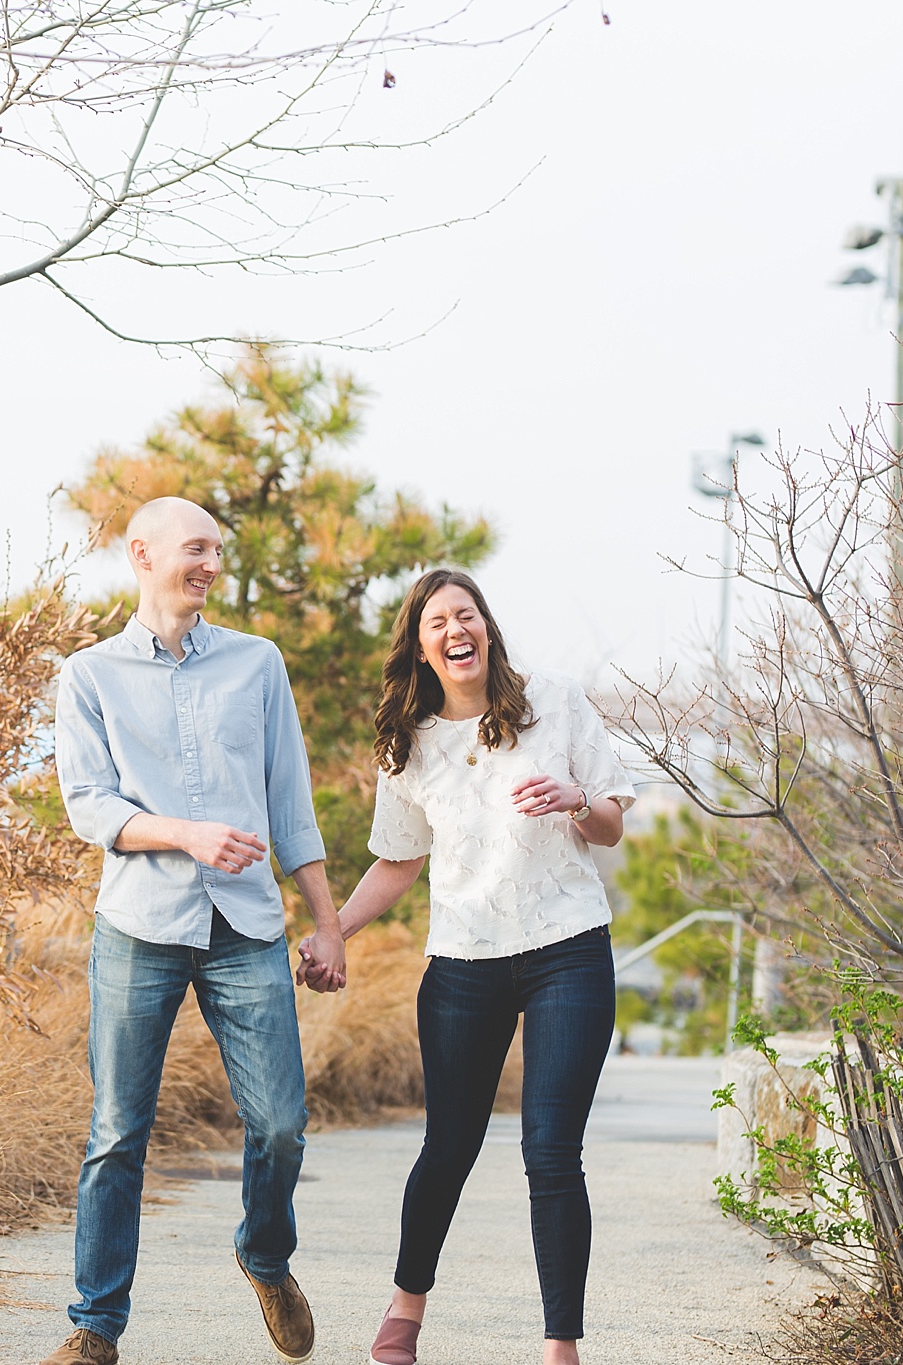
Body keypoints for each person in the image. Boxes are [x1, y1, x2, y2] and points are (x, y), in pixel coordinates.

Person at [297, 568, 634, 1365]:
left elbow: (613, 823)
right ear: (421, 646)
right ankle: (406, 1306)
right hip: (464, 960)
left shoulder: (552, 700)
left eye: (467, 614)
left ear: (487, 627)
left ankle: (561, 1347)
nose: (457, 629)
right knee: (448, 1144)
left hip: (567, 948)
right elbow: (397, 862)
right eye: (438, 621)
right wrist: (333, 929)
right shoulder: (406, 744)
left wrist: (577, 799)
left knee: (551, 1150)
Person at [47, 496, 345, 1365]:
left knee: (282, 1122)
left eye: (216, 548)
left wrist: (327, 923)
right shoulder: (90, 674)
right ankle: (96, 1327)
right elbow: (89, 806)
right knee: (117, 1131)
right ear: (141, 554)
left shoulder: (257, 664)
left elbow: (291, 802)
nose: (209, 563)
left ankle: (265, 1254)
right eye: (194, 548)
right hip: (139, 923)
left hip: (247, 923)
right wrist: (184, 831)